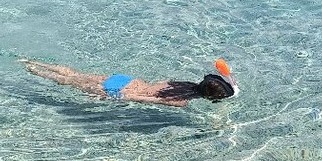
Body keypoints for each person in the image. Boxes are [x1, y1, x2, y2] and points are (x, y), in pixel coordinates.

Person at [21, 57, 238, 107]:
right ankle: (33, 71)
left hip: (126, 79)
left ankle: (32, 61)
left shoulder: (181, 84)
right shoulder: (180, 101)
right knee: (65, 82)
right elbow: (141, 99)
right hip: (119, 89)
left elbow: (154, 85)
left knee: (74, 74)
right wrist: (114, 97)